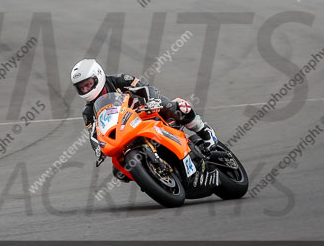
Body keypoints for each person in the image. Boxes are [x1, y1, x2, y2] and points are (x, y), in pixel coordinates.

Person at [71, 59, 218, 180]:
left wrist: (152, 101)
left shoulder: (120, 80)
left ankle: (205, 131)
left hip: (147, 113)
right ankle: (152, 176)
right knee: (119, 172)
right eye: (81, 88)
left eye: (88, 84)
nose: (85, 90)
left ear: (98, 76)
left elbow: (147, 88)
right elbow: (93, 134)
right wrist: (98, 149)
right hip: (125, 130)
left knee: (175, 106)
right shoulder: (88, 112)